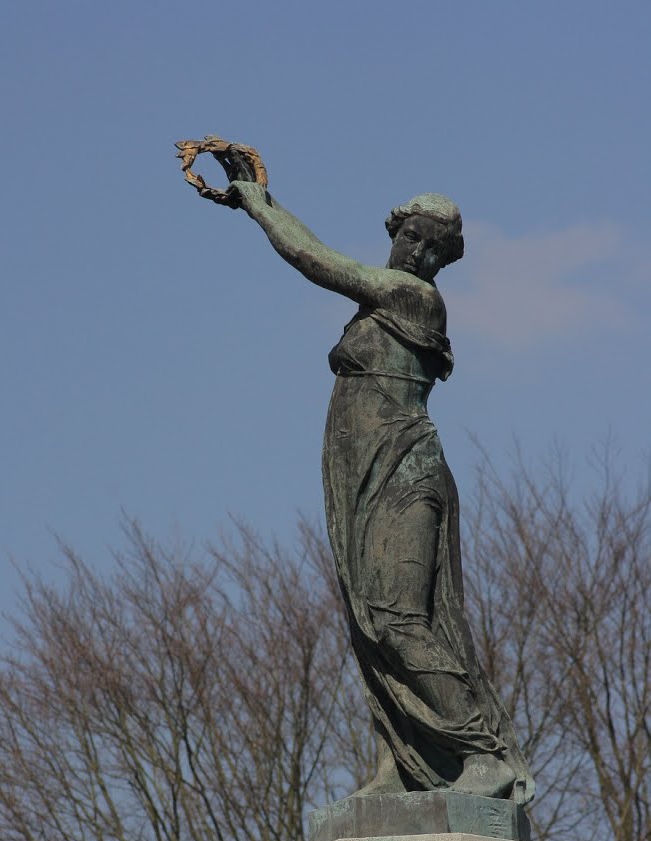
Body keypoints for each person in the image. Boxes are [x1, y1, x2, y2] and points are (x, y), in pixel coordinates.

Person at [227, 177, 534, 805]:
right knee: (370, 625)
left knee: (397, 619)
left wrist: (258, 210)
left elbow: (317, 260)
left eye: (429, 246)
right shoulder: (386, 301)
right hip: (364, 473)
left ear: (439, 259)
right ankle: (403, 761)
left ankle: (481, 750)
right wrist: (263, 191)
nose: (413, 251)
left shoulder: (413, 297)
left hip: (404, 471)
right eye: (407, 236)